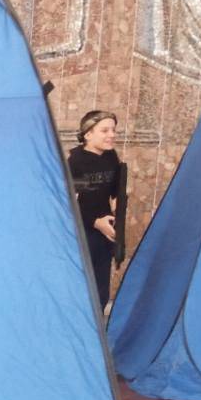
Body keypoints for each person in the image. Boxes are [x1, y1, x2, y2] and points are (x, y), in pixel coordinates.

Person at [68, 110, 127, 309]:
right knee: (81, 285)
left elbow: (115, 191)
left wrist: (118, 209)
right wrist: (95, 222)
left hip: (106, 230)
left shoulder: (110, 157)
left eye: (113, 130)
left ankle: (98, 323)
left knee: (101, 290)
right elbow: (72, 202)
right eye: (104, 130)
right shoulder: (77, 161)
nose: (112, 135)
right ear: (88, 134)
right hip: (83, 231)